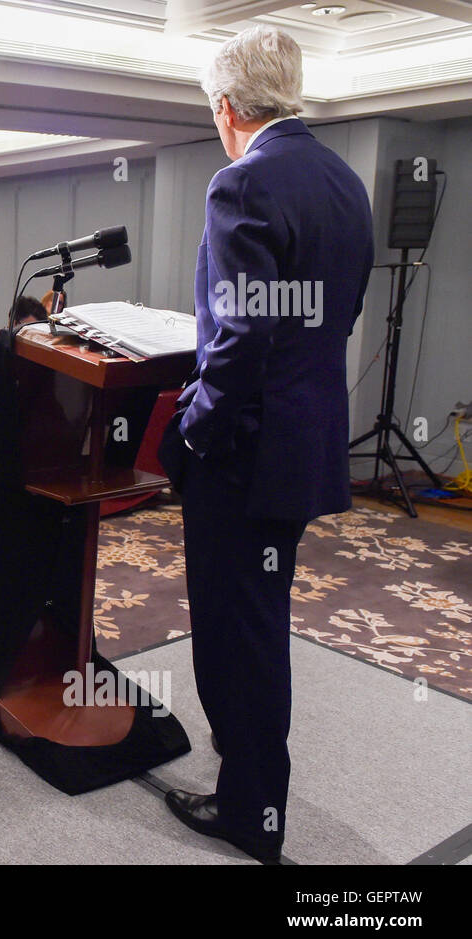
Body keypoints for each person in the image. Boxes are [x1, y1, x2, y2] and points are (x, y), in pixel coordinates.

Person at [158, 25, 373, 865]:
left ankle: (251, 809)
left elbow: (241, 339)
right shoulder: (344, 181)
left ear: (226, 108)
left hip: (243, 454)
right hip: (306, 441)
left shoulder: (242, 182)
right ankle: (251, 770)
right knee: (261, 619)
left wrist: (196, 428)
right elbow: (333, 316)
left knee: (235, 629)